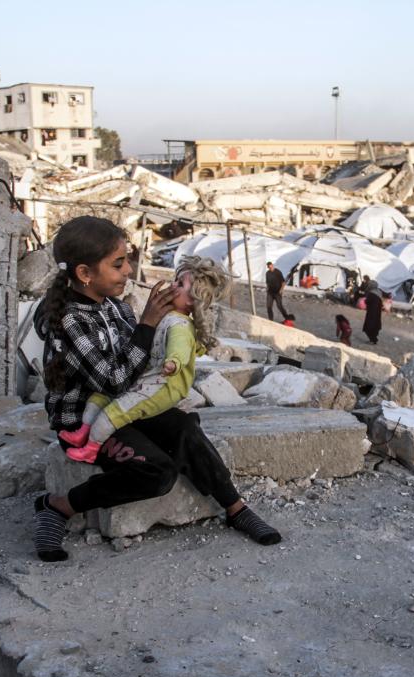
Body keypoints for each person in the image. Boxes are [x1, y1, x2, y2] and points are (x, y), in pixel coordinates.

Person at [33, 216, 280, 562]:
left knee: (185, 427)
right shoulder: (69, 321)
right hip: (85, 420)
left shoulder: (116, 307)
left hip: (124, 404)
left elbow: (138, 362)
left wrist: (177, 332)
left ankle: (235, 507)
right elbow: (114, 379)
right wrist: (148, 323)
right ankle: (60, 506)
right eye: (118, 264)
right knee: (157, 471)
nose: (128, 271)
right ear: (85, 274)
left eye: (127, 260)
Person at [59, 255, 229, 463]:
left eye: (179, 284)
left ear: (192, 300)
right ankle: (83, 431)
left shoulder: (181, 326)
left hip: (162, 384)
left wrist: (173, 362)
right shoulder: (164, 315)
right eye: (176, 280)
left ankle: (92, 448)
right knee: (100, 397)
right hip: (146, 376)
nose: (172, 285)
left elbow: (180, 349)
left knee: (115, 412)